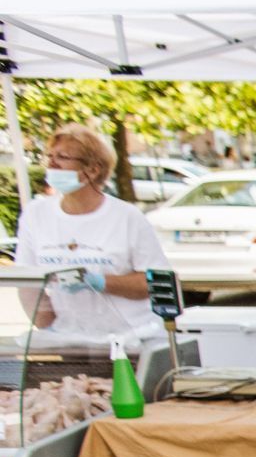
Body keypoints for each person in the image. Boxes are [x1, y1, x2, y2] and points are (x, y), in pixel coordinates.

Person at [13, 123, 167, 340]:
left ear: (92, 170)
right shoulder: (36, 214)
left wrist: (101, 282)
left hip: (130, 339)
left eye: (63, 157)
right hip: (72, 340)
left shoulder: (126, 217)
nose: (52, 163)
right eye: (50, 156)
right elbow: (26, 280)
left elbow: (155, 282)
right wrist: (53, 329)